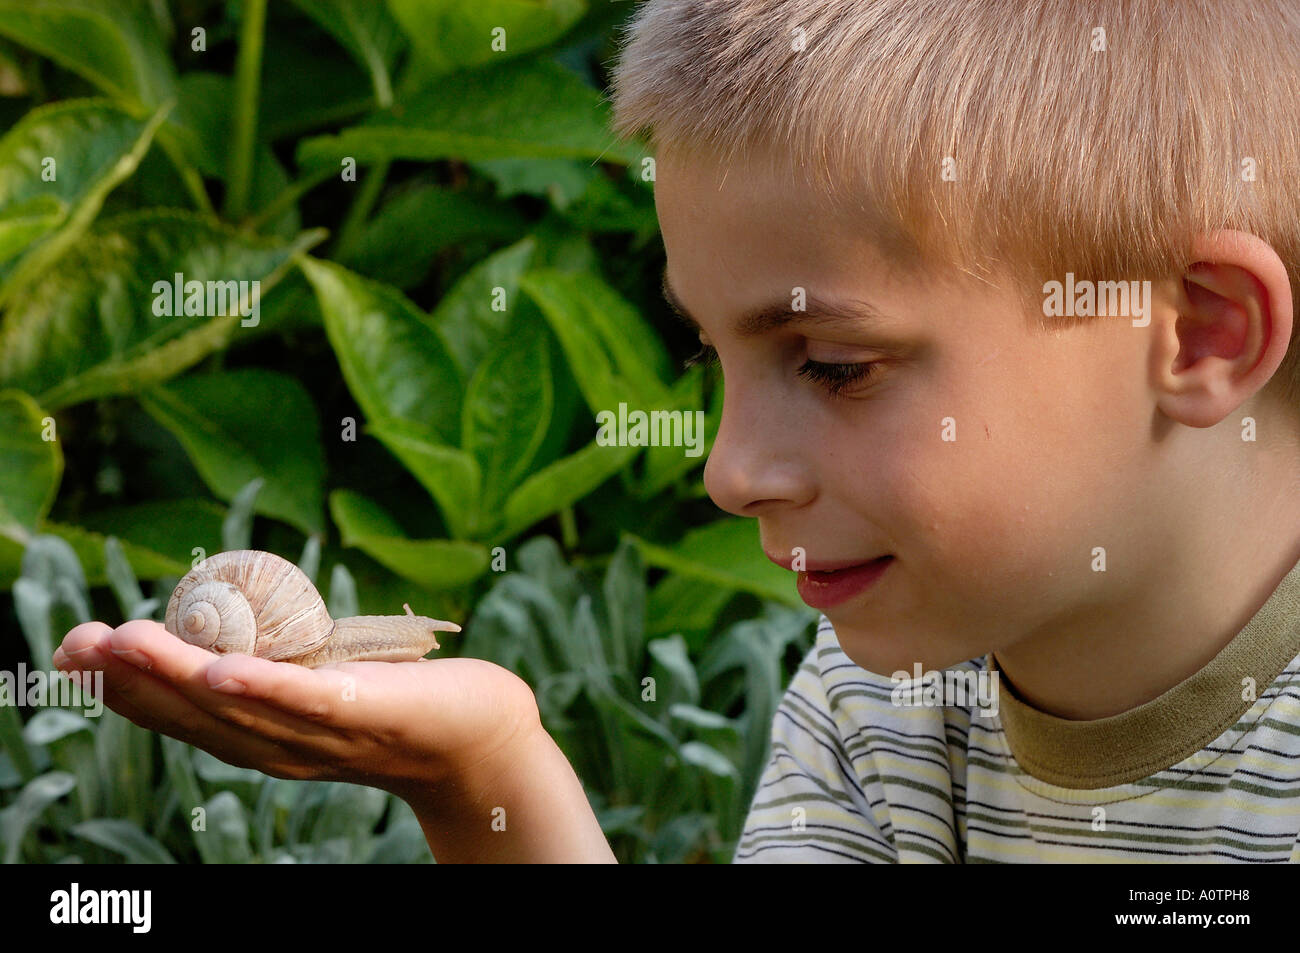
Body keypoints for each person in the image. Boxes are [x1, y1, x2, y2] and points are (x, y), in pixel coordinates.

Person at [57, 0, 1300, 862]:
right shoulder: (877, 715)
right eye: (711, 356)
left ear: (1195, 334)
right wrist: (482, 777)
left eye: (832, 365)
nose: (727, 470)